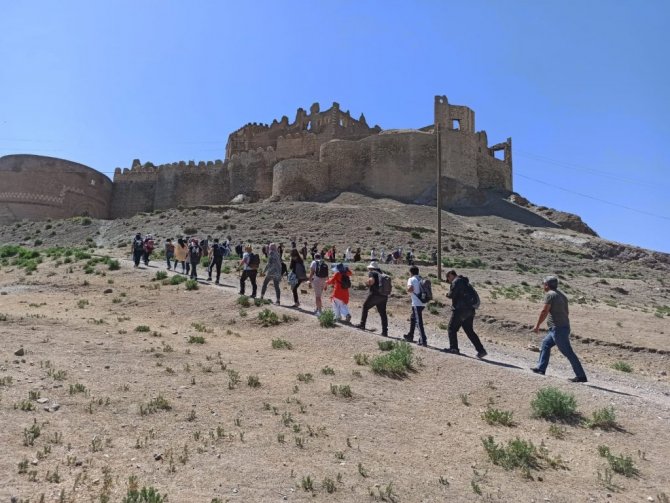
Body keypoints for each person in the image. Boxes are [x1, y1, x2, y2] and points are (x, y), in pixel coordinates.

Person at [531, 276, 588, 383]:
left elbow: (544, 311)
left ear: (547, 285)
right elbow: (567, 312)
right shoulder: (562, 295)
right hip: (561, 327)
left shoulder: (550, 294)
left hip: (558, 329)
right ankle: (540, 368)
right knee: (545, 344)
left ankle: (581, 376)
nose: (543, 286)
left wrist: (537, 325)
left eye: (544, 284)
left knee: (568, 352)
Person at [443, 270, 487, 358]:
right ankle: (481, 351)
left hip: (460, 309)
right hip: (470, 310)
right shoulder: (465, 281)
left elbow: (452, 294)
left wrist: (447, 294)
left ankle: (454, 348)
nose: (449, 280)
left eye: (448, 278)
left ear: (451, 275)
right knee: (469, 331)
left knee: (451, 328)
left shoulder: (457, 281)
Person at [355, 261, 389, 336]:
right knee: (383, 313)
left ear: (371, 268)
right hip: (384, 295)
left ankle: (362, 324)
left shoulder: (372, 272)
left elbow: (371, 281)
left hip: (375, 294)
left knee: (365, 306)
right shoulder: (382, 273)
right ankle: (385, 332)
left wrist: (367, 283)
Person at [403, 266, 427, 346]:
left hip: (416, 303)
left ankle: (423, 340)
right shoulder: (421, 279)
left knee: (418, 322)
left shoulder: (411, 279)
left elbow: (410, 288)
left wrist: (408, 289)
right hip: (423, 302)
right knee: (413, 318)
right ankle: (410, 335)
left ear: (411, 272)